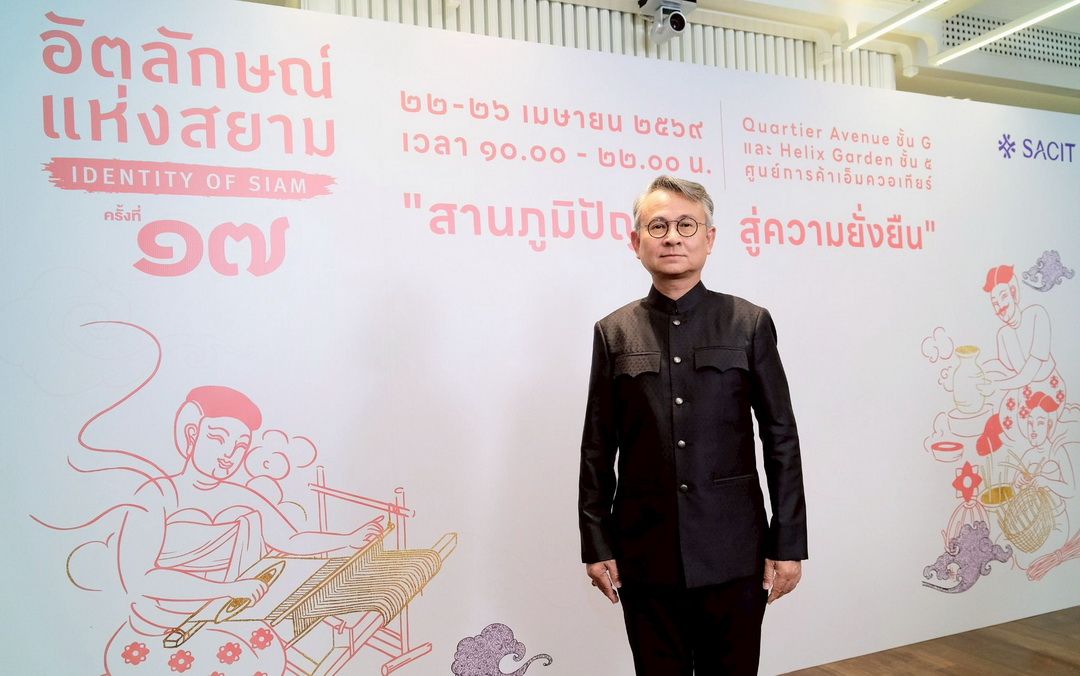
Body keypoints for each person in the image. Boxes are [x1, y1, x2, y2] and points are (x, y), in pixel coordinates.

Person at [578, 175, 807, 675]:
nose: (672, 237)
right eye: (657, 226)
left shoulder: (748, 323)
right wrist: (596, 543)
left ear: (710, 238)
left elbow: (780, 438)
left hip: (735, 549)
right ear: (636, 241)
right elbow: (597, 446)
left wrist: (788, 543)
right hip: (644, 551)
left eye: (686, 225)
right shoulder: (614, 332)